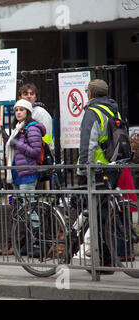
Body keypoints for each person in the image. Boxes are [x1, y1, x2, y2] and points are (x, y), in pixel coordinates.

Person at [77, 79, 124, 272]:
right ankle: (109, 258)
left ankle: (102, 260)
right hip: (113, 168)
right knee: (104, 215)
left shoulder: (92, 112)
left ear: (90, 94)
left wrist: (82, 168)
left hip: (96, 170)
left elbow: (88, 143)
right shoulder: (115, 111)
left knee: (96, 216)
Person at [0, 99, 45, 256]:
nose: (18, 112)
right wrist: (7, 139)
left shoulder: (32, 128)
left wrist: (15, 142)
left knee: (30, 208)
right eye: (16, 110)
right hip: (17, 174)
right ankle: (29, 243)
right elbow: (16, 151)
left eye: (21, 110)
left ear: (28, 112)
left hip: (27, 174)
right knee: (23, 210)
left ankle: (38, 241)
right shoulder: (18, 128)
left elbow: (35, 152)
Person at [18, 83, 54, 152]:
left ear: (36, 97)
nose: (29, 96)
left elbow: (46, 137)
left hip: (39, 153)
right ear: (20, 97)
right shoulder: (21, 112)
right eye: (25, 94)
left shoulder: (41, 113)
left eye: (32, 94)